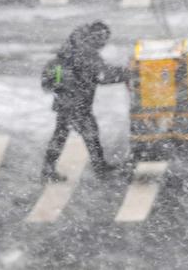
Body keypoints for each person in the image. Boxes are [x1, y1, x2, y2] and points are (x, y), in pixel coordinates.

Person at [41, 21, 129, 182]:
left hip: (66, 99)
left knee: (63, 134)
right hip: (77, 100)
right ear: (95, 37)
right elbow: (103, 76)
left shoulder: (73, 46)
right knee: (89, 134)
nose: (104, 43)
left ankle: (49, 169)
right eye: (103, 39)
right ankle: (100, 169)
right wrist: (128, 73)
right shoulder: (86, 52)